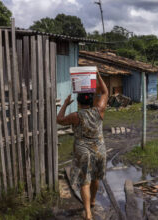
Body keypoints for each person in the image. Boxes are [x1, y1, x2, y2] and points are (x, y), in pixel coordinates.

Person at [57, 71, 108, 220]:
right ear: (92, 101)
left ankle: (88, 213)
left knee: (84, 182)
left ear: (78, 102)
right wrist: (97, 75)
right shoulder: (99, 110)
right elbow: (104, 91)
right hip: (100, 149)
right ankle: (92, 201)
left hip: (82, 151)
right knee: (96, 178)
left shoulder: (76, 116)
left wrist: (65, 104)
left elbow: (59, 119)